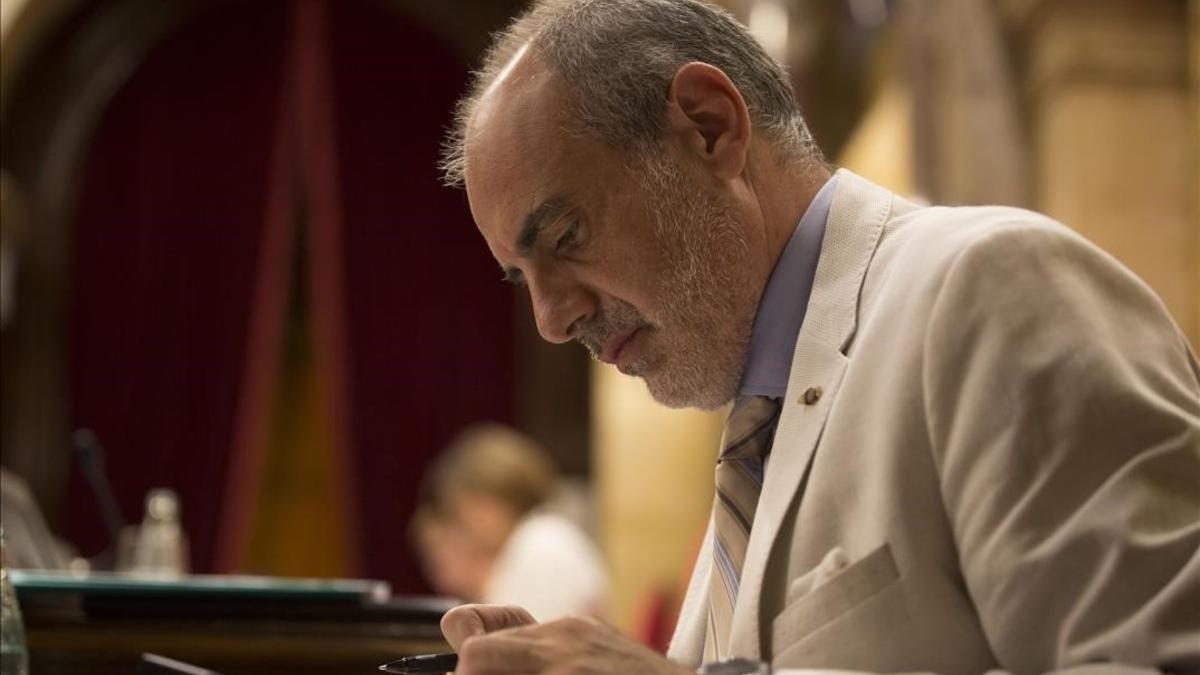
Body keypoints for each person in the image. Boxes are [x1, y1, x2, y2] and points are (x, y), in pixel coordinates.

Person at [432, 0, 1200, 673]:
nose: (551, 319)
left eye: (566, 235)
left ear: (709, 125)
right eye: (519, 277)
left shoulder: (995, 286)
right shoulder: (755, 434)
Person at [411, 424, 608, 622]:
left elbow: (525, 646)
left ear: (493, 500)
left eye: (466, 508)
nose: (466, 526)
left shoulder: (543, 542)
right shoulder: (529, 544)